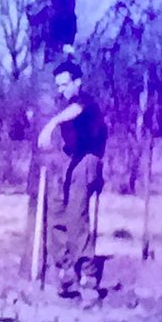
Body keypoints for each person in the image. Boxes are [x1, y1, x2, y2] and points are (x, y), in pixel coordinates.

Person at [36, 60, 107, 297]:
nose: (61, 89)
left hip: (87, 160)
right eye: (58, 85)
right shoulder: (65, 105)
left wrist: (52, 124)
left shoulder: (86, 102)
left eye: (65, 84)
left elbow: (76, 110)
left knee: (76, 216)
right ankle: (66, 270)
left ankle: (88, 276)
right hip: (69, 159)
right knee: (56, 212)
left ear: (78, 82)